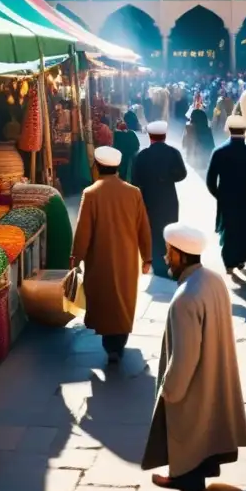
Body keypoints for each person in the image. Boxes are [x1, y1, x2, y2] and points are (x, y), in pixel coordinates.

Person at [141, 222, 246, 491]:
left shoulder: (185, 298)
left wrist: (170, 389)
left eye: (169, 252)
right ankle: (195, 472)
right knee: (207, 424)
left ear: (180, 255)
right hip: (213, 371)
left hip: (195, 379)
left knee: (188, 425)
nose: (165, 257)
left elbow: (185, 357)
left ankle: (184, 476)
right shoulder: (212, 280)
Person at [71, 146, 153, 362]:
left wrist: (75, 258)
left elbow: (82, 232)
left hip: (100, 259)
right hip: (127, 259)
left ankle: (111, 346)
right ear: (118, 168)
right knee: (124, 300)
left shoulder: (90, 193)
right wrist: (147, 258)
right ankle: (120, 342)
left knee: (105, 300)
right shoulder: (133, 192)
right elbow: (143, 228)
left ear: (97, 167)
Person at [207, 115, 246, 274]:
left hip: (227, 199)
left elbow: (210, 180)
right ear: (245, 131)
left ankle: (229, 262)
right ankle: (241, 259)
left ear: (228, 130)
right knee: (245, 229)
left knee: (230, 230)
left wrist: (219, 195)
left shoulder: (219, 151)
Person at [132, 121, 188, 277]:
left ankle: (157, 265)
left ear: (150, 137)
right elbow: (182, 174)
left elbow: (134, 182)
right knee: (169, 230)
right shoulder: (173, 153)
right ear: (164, 136)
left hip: (148, 200)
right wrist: (167, 177)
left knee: (153, 231)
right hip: (169, 199)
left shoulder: (141, 156)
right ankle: (171, 262)